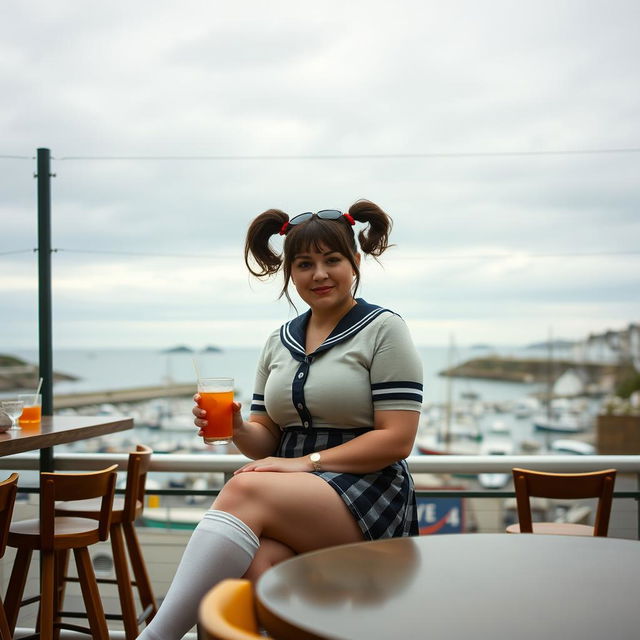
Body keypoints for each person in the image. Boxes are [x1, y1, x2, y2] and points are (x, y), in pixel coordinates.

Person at [137, 200, 423, 640]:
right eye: (304, 263)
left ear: (355, 262)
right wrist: (235, 428)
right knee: (248, 573)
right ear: (290, 272)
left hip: (368, 491)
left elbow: (397, 440)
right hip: (293, 496)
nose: (319, 274)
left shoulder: (384, 329)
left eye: (332, 260)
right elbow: (264, 441)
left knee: (246, 485)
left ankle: (157, 637)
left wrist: (304, 463)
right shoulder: (278, 340)